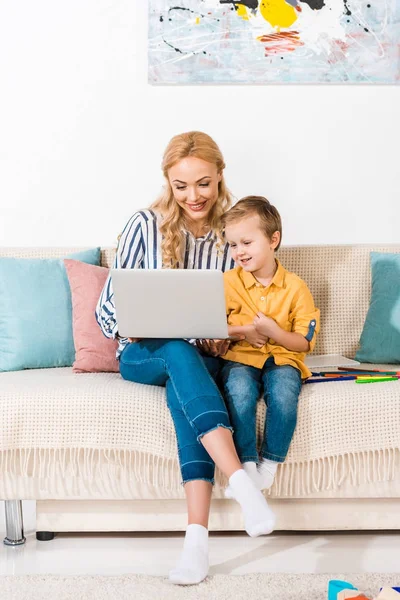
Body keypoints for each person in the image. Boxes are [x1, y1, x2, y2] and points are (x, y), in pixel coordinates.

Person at [95, 133, 275, 586]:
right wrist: (132, 322)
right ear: (168, 183)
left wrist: (220, 332)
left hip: (198, 357)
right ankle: (238, 481)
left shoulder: (230, 233)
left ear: (220, 179)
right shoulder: (144, 224)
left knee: (184, 379)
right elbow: (106, 308)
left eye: (204, 184)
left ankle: (196, 542)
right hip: (141, 353)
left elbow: (239, 304)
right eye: (181, 186)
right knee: (175, 348)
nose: (193, 196)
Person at [219, 196, 320, 497]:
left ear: (273, 239)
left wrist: (273, 331)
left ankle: (269, 467)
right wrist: (245, 331)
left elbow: (303, 343)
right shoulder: (227, 282)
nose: (239, 252)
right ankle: (248, 467)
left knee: (285, 395)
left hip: (283, 359)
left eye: (247, 243)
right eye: (233, 245)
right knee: (239, 392)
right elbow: (212, 328)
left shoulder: (296, 287)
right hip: (241, 358)